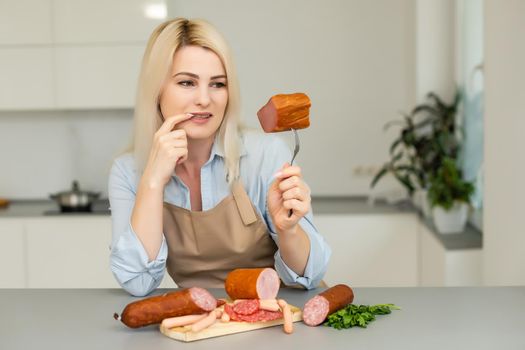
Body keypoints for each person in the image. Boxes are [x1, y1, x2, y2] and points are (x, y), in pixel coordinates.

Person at [108, 18, 331, 297]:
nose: (204, 99)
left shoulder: (266, 155)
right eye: (187, 82)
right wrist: (152, 182)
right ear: (156, 90)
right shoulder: (129, 171)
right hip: (206, 325)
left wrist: (288, 230)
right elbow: (137, 282)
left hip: (281, 319)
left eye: (217, 84)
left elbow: (310, 277)